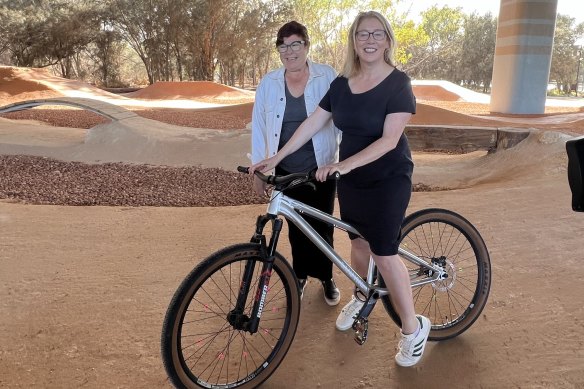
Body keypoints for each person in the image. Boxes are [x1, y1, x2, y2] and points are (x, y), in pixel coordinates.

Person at [250, 11, 430, 367]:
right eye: (363, 34)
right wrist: (275, 157)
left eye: (378, 34)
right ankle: (360, 295)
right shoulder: (343, 83)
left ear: (388, 40)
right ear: (354, 40)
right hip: (352, 179)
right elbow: (311, 123)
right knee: (357, 242)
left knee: (383, 251)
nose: (370, 40)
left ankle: (413, 329)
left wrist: (340, 165)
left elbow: (390, 140)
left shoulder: (398, 83)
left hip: (387, 177)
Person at [250, 21, 341, 306]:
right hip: (286, 171)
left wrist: (345, 162)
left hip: (321, 168)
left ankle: (326, 278)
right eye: (283, 46)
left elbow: (340, 122)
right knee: (295, 228)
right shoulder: (270, 82)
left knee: (321, 226)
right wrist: (258, 169)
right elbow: (260, 126)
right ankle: (300, 275)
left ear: (306, 45)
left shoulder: (326, 76)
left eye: (295, 44)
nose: (289, 52)